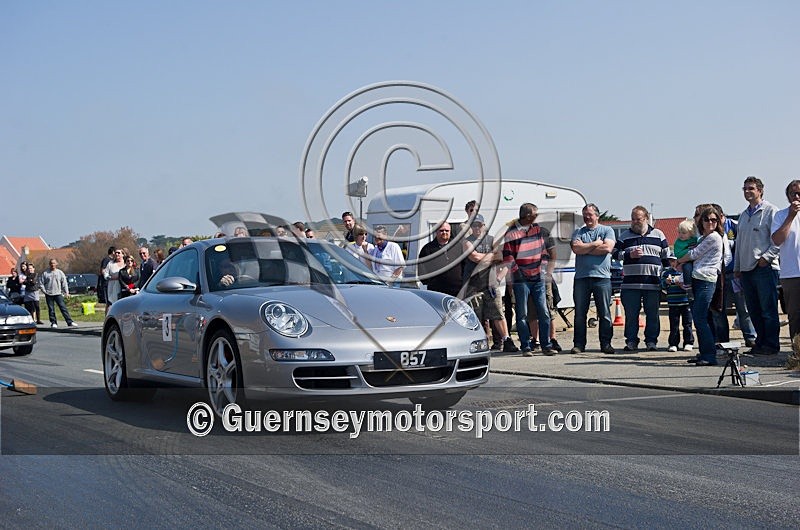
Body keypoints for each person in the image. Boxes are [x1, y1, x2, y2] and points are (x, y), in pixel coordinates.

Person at [735, 176, 781, 356]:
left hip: (764, 268)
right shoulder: (743, 215)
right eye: (745, 188)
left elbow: (778, 239)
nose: (747, 192)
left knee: (768, 309)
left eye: (751, 188)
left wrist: (767, 258)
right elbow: (739, 243)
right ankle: (760, 342)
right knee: (754, 310)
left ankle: (771, 344)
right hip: (746, 269)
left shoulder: (771, 211)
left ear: (760, 190)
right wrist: (737, 266)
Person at [678, 207, 729, 366]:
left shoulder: (714, 237)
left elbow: (694, 254)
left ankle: (709, 355)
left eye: (714, 220)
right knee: (702, 318)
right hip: (697, 278)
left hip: (706, 280)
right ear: (702, 222)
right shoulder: (702, 237)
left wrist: (680, 261)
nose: (710, 223)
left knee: (700, 318)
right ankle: (704, 352)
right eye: (707, 220)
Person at [613, 205, 669, 351]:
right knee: (631, 315)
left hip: (652, 283)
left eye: (638, 219)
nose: (634, 222)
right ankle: (631, 341)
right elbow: (614, 253)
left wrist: (667, 275)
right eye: (632, 219)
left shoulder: (658, 234)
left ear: (646, 218)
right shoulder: (624, 236)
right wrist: (628, 255)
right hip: (630, 284)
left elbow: (666, 258)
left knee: (653, 314)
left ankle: (651, 341)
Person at [503, 203, 555, 355]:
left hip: (538, 276)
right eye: (535, 214)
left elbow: (543, 252)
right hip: (521, 279)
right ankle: (526, 345)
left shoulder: (537, 230)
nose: (537, 217)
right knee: (522, 313)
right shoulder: (511, 232)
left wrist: (543, 268)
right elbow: (508, 255)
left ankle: (546, 345)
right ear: (526, 216)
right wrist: (516, 272)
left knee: (543, 311)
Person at [463, 214, 518, 352]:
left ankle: (506, 340)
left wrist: (498, 275)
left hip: (491, 284)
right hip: (473, 286)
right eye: (474, 225)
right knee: (476, 315)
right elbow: (474, 256)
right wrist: (491, 257)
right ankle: (478, 343)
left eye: (479, 225)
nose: (477, 228)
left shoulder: (492, 239)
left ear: (484, 226)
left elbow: (500, 256)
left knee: (498, 313)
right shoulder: (466, 241)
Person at [570, 203, 616, 354]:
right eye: (584, 214)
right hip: (582, 278)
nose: (587, 217)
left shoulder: (607, 230)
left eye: (589, 214)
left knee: (604, 313)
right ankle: (579, 344)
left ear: (597, 215)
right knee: (580, 314)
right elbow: (576, 249)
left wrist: (586, 248)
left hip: (602, 278)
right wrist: (596, 244)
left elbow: (607, 248)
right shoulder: (578, 232)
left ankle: (606, 344)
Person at [711, 204, 756, 346]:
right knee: (719, 309)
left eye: (717, 219)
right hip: (719, 276)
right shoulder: (710, 230)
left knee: (743, 308)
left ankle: (750, 338)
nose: (713, 222)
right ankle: (722, 341)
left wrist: (730, 243)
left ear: (723, 216)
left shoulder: (735, 225)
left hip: (736, 273)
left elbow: (744, 241)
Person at [771, 179, 800, 346]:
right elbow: (776, 240)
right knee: (795, 315)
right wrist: (791, 216)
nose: (796, 196)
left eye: (799, 193)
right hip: (791, 273)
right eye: (792, 194)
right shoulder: (781, 215)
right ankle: (797, 353)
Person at [660, 253, 694, 352]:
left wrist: (682, 284)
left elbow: (690, 285)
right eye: (670, 261)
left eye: (674, 261)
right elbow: (662, 287)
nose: (672, 263)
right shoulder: (666, 273)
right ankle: (673, 343)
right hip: (673, 303)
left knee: (687, 324)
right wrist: (666, 282)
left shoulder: (686, 271)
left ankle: (688, 342)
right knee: (674, 324)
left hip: (685, 302)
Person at [418, 223, 463, 296]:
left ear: (450, 232)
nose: (444, 232)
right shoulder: (427, 249)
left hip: (457, 290)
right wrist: (430, 282)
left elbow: (465, 264)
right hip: (436, 291)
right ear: (436, 232)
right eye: (441, 230)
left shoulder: (458, 246)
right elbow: (421, 269)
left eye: (447, 230)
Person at [38, 258, 77, 328]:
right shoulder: (45, 273)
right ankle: (53, 322)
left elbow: (64, 283)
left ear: (56, 264)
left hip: (58, 293)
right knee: (51, 309)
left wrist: (66, 292)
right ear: (49, 264)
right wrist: (44, 291)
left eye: (54, 263)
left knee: (63, 308)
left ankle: (70, 322)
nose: (52, 265)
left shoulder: (60, 272)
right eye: (51, 263)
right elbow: (41, 283)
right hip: (49, 294)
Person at [673, 218, 698, 295]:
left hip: (696, 260)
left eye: (683, 233)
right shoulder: (678, 242)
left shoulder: (695, 239)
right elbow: (678, 254)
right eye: (679, 232)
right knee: (687, 268)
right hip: (685, 261)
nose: (681, 235)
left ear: (691, 233)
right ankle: (688, 286)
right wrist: (689, 251)